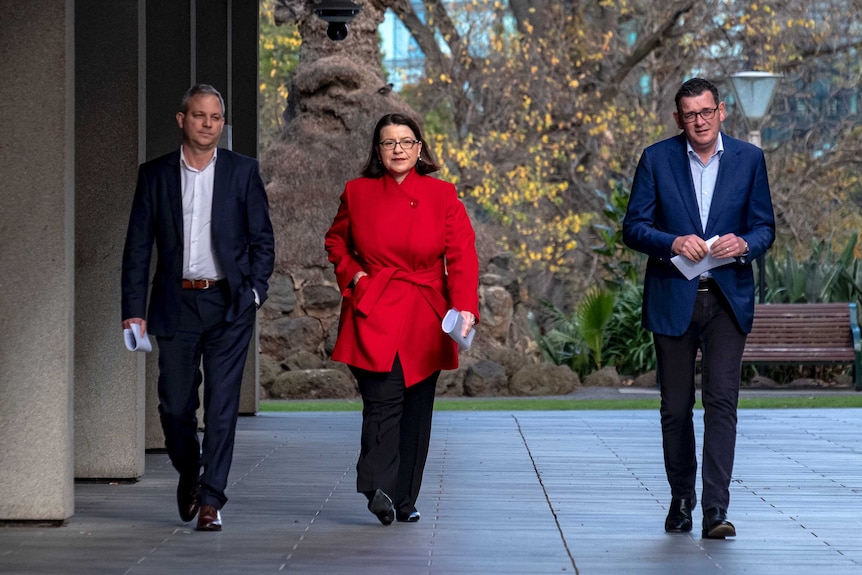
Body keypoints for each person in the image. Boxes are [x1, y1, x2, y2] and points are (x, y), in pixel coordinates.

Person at [622, 77, 775, 539]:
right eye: (690, 114)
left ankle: (715, 509)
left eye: (707, 112)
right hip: (675, 297)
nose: (700, 121)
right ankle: (681, 498)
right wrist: (671, 242)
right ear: (678, 118)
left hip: (727, 298)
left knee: (722, 404)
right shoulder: (656, 158)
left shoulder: (749, 160)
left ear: (722, 111)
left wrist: (744, 243)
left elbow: (765, 227)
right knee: (674, 407)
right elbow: (633, 227)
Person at [121, 84, 275, 532]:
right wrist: (133, 308)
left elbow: (262, 240)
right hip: (174, 303)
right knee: (174, 406)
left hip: (229, 302)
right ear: (181, 119)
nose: (208, 124)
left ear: (222, 124)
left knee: (223, 405)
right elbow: (137, 247)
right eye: (199, 115)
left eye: (215, 117)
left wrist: (255, 292)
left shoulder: (243, 172)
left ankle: (211, 499)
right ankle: (190, 473)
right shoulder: (155, 175)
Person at [325, 113, 479, 525]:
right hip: (373, 306)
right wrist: (354, 276)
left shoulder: (443, 194)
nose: (397, 149)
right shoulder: (357, 192)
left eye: (405, 141)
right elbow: (336, 241)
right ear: (377, 151)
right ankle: (377, 485)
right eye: (389, 142)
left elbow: (462, 254)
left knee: (417, 409)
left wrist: (465, 308)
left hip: (425, 313)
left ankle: (405, 498)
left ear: (419, 148)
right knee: (382, 400)